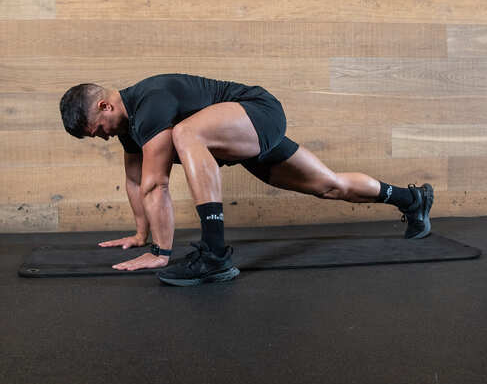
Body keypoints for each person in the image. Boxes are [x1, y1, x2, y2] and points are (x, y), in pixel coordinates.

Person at [59, 73, 434, 286]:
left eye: (99, 129)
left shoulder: (150, 104)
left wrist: (160, 253)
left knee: (185, 133)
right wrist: (141, 234)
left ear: (105, 106)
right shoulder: (129, 128)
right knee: (330, 185)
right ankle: (411, 200)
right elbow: (135, 180)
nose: (103, 136)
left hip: (257, 114)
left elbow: (156, 183)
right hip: (240, 139)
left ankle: (216, 254)